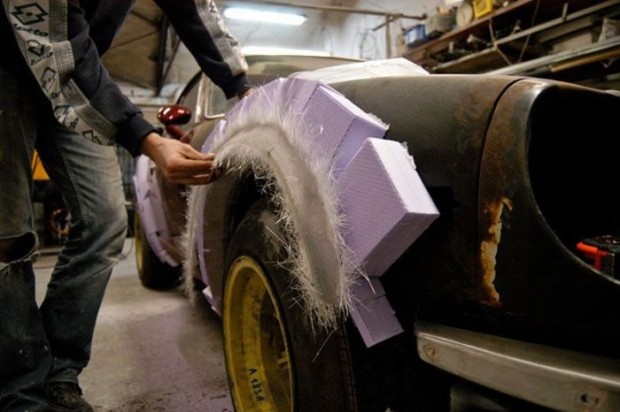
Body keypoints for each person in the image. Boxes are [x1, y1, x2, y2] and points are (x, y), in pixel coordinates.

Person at [0, 0, 252, 410]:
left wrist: (242, 86)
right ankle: (20, 391)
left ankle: (59, 372)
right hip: (8, 68)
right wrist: (148, 139)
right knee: (8, 240)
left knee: (105, 221)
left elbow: (190, 9)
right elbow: (59, 47)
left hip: (76, 74)